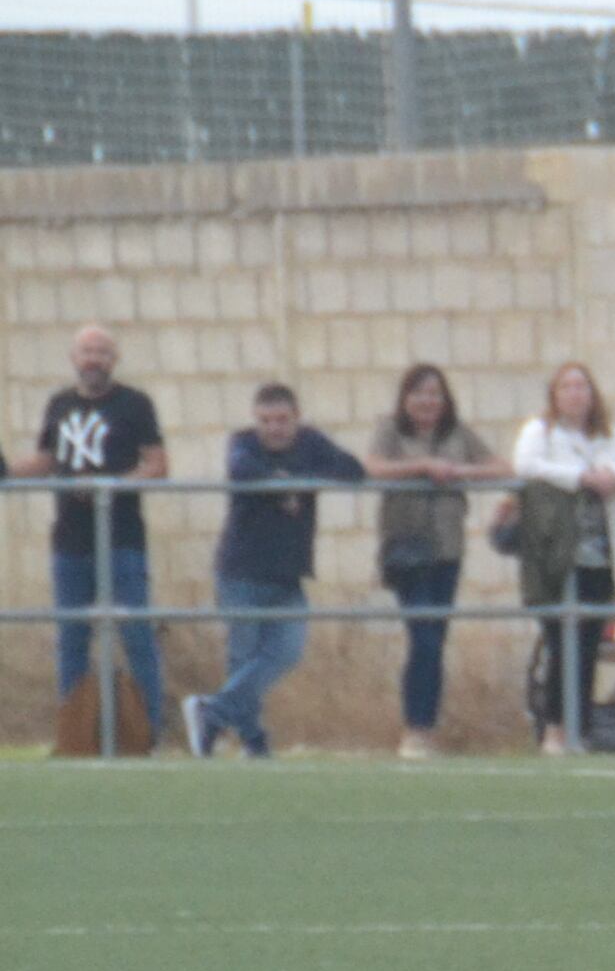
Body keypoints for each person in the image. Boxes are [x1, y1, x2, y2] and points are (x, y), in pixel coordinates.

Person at [182, 385, 364, 760]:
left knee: (285, 654)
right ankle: (254, 742)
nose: (275, 429)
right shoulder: (244, 444)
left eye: (283, 420)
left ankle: (210, 712)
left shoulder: (310, 443)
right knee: (243, 660)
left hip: (288, 576)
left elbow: (354, 471)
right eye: (266, 420)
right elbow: (243, 470)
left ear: (297, 417)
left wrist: (300, 475)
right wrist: (282, 484)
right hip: (243, 572)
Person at [18, 326, 171, 753]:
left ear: (115, 359)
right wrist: (11, 471)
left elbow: (157, 465)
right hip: (71, 542)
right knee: (72, 639)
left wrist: (111, 485)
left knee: (136, 635)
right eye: (87, 351)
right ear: (73, 357)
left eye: (103, 351)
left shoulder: (134, 404)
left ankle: (148, 736)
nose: (94, 359)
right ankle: (74, 738)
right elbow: (47, 460)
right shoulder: (60, 405)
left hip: (122, 538)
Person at [511, 362, 615, 753]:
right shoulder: (540, 432)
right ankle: (555, 728)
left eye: (582, 386)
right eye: (567, 386)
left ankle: (581, 728)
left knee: (589, 645)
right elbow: (525, 465)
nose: (576, 394)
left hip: (599, 558)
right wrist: (579, 478)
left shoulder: (608, 437)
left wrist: (612, 474)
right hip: (556, 557)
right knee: (561, 643)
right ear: (555, 395)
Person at [366, 363, 505, 760]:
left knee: (434, 640)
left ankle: (426, 728)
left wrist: (459, 471)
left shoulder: (458, 434)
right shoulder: (391, 430)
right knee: (423, 636)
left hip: (447, 549)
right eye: (420, 393)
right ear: (405, 398)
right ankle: (415, 729)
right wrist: (422, 467)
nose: (428, 401)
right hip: (406, 548)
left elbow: (501, 466)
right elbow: (373, 466)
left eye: (435, 394)